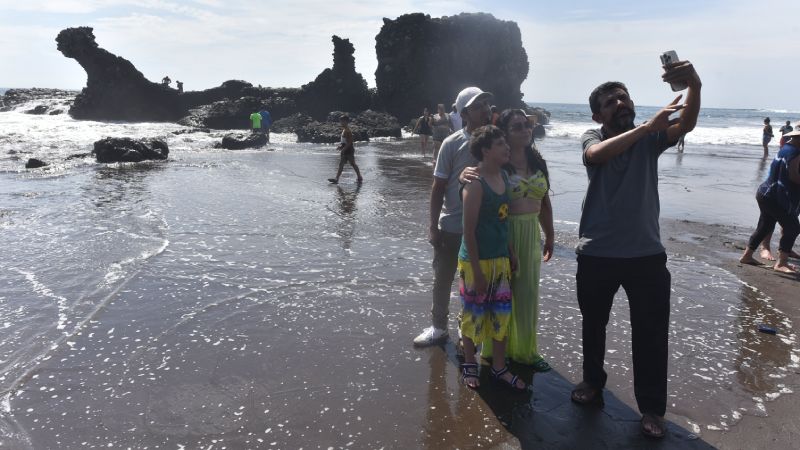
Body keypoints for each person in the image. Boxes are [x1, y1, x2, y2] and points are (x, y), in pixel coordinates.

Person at [570, 58, 702, 440]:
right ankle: (593, 383)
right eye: (611, 101)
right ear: (598, 114)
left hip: (646, 254)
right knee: (594, 326)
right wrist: (647, 126)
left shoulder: (652, 139)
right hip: (597, 253)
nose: (620, 103)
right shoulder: (592, 138)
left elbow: (687, 123)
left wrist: (694, 85)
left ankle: (652, 409)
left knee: (651, 333)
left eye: (623, 97)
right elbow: (596, 157)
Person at [459, 109, 555, 371]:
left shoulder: (538, 162)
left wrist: (550, 235)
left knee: (527, 294)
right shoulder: (501, 167)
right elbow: (480, 182)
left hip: (531, 233)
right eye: (517, 127)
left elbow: (544, 202)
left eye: (527, 125)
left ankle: (525, 351)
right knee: (497, 296)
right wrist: (463, 175)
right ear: (503, 133)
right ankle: (493, 353)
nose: (525, 130)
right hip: (505, 233)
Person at [412, 87, 492, 347]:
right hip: (452, 225)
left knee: (476, 283)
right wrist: (432, 226)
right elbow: (438, 187)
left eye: (486, 104)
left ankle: (467, 329)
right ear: (465, 112)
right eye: (478, 105)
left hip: (485, 229)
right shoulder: (452, 142)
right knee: (443, 278)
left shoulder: (496, 141)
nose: (485, 109)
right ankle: (438, 327)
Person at [457, 125, 525, 391]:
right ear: (485, 150)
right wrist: (477, 271)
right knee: (472, 314)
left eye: (506, 144)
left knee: (501, 314)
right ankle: (470, 364)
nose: (507, 148)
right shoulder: (474, 184)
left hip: (500, 259)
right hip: (476, 261)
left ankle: (498, 367)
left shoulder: (505, 179)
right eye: (500, 144)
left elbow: (503, 220)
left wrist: (510, 251)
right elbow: (468, 231)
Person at [740, 129, 800, 273]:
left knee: (765, 225)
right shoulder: (795, 153)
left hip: (765, 193)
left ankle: (747, 256)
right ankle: (781, 263)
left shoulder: (786, 148)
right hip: (775, 197)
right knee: (793, 226)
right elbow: (794, 177)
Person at [328, 114, 363, 185]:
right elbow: (344, 141)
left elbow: (350, 142)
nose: (341, 123)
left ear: (346, 122)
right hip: (344, 149)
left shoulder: (348, 131)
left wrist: (344, 149)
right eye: (340, 121)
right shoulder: (344, 130)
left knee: (352, 164)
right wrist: (340, 146)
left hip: (349, 150)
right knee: (341, 164)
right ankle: (336, 179)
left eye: (342, 121)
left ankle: (359, 177)